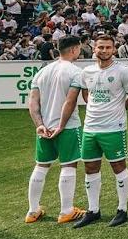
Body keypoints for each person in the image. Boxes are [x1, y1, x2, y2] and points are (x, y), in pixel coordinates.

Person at [65, 34, 128, 228]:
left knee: (118, 167)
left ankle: (122, 210)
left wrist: (117, 110)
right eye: (100, 47)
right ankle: (93, 210)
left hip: (113, 128)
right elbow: (87, 94)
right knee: (90, 168)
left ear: (114, 49)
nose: (104, 51)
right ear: (94, 49)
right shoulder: (86, 71)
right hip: (90, 128)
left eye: (108, 48)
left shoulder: (123, 71)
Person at [24, 35, 84, 224]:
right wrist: (61, 125)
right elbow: (70, 101)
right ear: (74, 49)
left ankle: (33, 211)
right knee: (69, 165)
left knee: (41, 166)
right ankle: (66, 210)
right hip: (67, 127)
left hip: (45, 127)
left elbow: (33, 102)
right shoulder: (75, 72)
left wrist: (40, 125)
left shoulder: (42, 72)